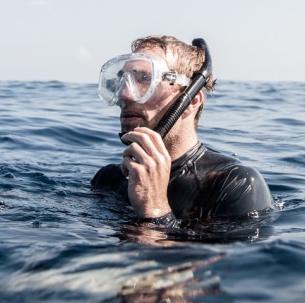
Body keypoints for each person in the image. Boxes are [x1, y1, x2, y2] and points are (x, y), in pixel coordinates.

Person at [91, 35, 274, 226]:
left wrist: (153, 209)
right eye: (123, 79)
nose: (124, 94)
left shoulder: (233, 184)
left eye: (145, 78)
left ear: (191, 102)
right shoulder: (109, 179)